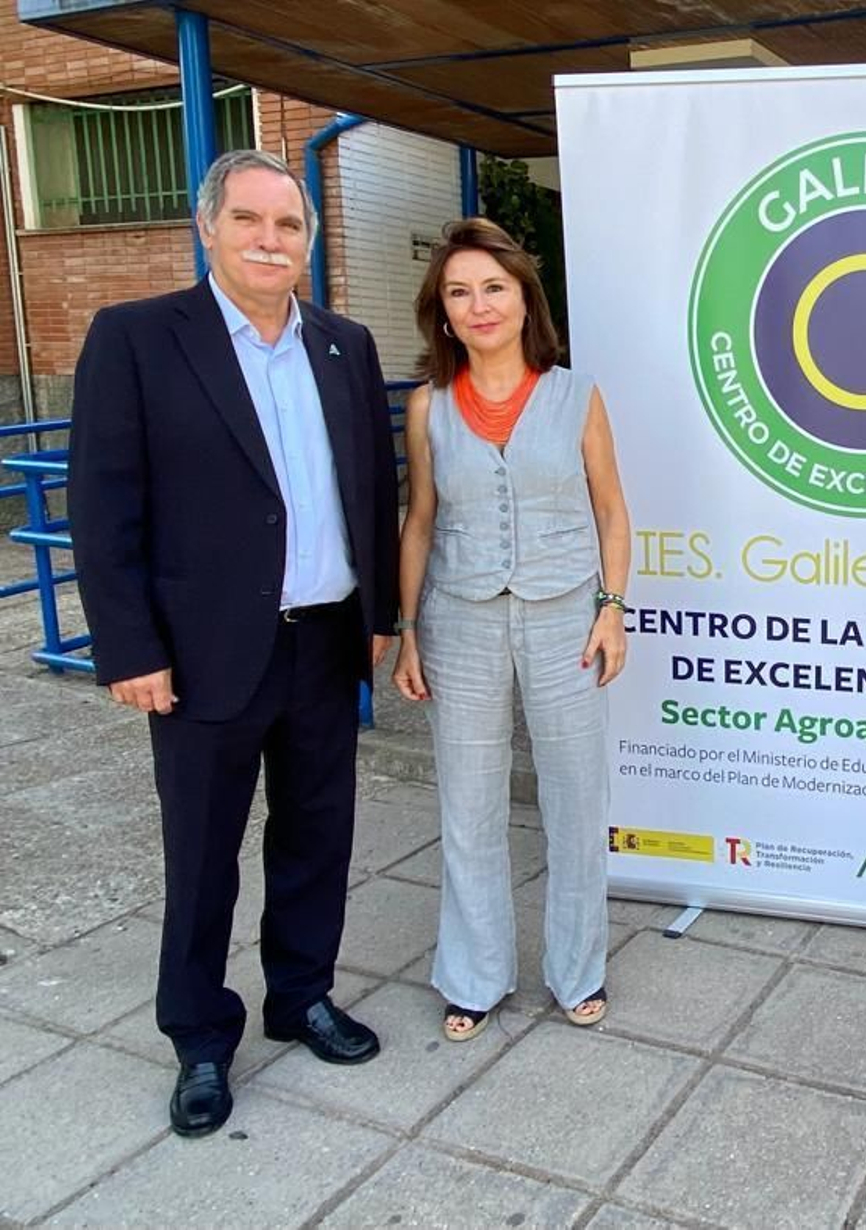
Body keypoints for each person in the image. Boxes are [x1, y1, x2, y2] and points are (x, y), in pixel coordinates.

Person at [68, 149, 398, 1138]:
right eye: (250, 221)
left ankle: (300, 997)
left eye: (288, 225)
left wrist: (378, 617)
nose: (270, 241)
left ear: (307, 240)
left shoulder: (345, 344)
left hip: (324, 643)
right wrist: (128, 648)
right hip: (202, 652)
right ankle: (201, 1038)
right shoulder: (135, 338)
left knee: (316, 838)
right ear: (208, 228)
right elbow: (103, 503)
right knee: (203, 854)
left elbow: (372, 491)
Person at [391, 217, 630, 1042]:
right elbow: (419, 520)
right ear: (444, 313)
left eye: (494, 287)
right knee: (468, 804)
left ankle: (578, 969)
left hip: (567, 614)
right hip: (457, 618)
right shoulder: (426, 407)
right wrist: (409, 629)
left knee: (575, 797)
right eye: (460, 292)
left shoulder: (576, 394)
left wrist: (613, 609)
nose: (479, 304)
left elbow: (612, 510)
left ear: (525, 300)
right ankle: (473, 974)